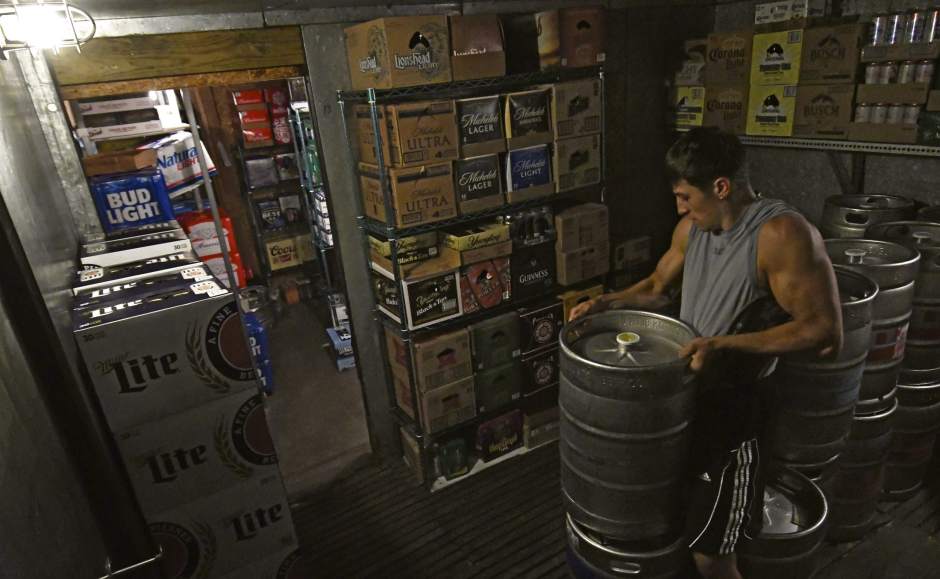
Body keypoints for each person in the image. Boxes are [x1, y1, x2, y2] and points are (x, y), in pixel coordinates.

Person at [568, 127, 842, 579]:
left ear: (721, 187)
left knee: (712, 554)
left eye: (684, 196)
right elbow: (657, 289)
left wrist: (724, 345)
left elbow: (826, 333)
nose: (679, 208)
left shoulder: (781, 234)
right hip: (686, 402)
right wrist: (604, 304)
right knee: (675, 522)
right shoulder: (692, 229)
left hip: (736, 415)